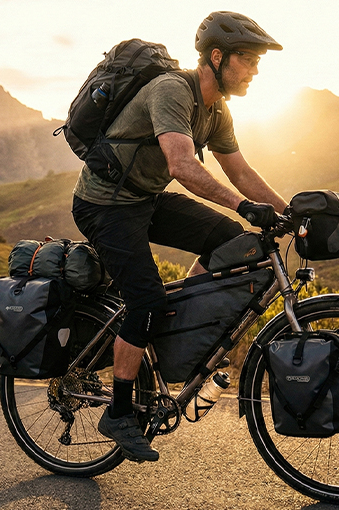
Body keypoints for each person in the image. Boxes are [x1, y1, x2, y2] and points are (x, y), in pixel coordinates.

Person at [71, 11, 287, 462]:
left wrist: (290, 213)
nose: (255, 70)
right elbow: (182, 165)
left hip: (144, 198)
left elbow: (241, 171)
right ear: (217, 57)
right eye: (248, 60)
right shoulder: (172, 90)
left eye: (257, 62)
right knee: (145, 300)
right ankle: (119, 412)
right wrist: (244, 206)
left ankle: (178, 331)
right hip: (105, 203)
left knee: (230, 241)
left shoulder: (217, 110)